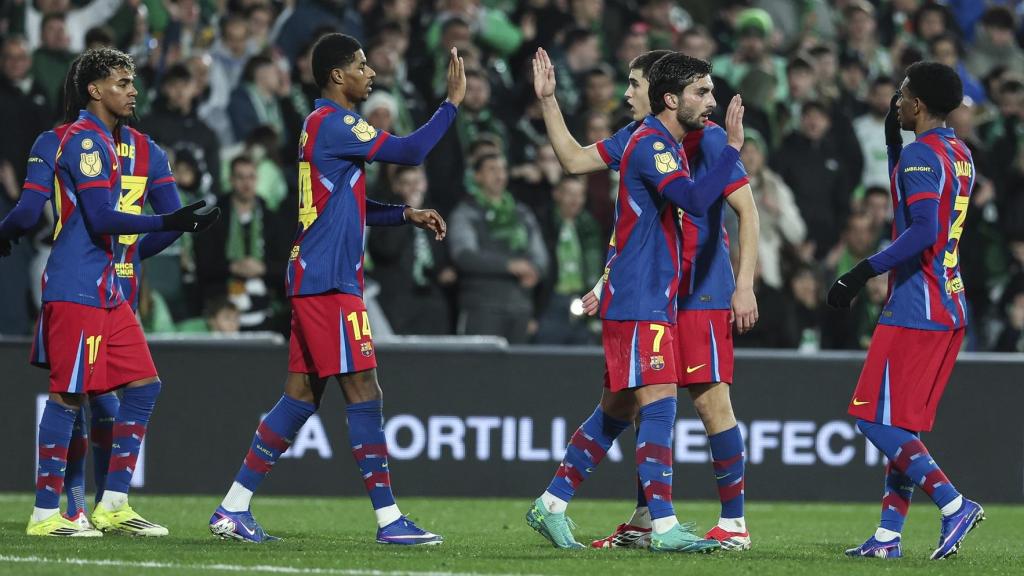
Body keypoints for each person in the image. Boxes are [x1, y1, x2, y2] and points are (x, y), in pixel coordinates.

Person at [208, 33, 463, 545]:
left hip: (315, 274)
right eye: (362, 66)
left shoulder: (320, 126)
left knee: (301, 396)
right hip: (328, 280)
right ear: (337, 76)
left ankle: (233, 507)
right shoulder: (339, 122)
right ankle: (390, 520)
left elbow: (347, 205)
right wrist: (451, 104)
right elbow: (411, 151)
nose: (371, 74)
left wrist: (404, 214)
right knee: (364, 390)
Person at [533, 47, 759, 551]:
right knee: (652, 403)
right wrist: (550, 102)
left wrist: (743, 284)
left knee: (632, 406)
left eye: (633, 83)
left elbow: (741, 210)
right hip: (648, 293)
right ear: (670, 98)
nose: (627, 93)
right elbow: (577, 164)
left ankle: (558, 503)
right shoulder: (648, 141)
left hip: (690, 291)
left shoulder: (695, 136)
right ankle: (658, 522)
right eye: (703, 92)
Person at [0, 47, 218, 537]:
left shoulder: (95, 141)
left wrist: (150, 241)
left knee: (143, 385)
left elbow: (32, 212)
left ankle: (112, 503)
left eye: (133, 81)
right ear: (94, 89)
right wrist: (168, 223)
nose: (133, 90)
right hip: (79, 281)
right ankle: (47, 512)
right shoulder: (83, 141)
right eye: (123, 82)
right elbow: (99, 217)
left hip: (110, 288)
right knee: (72, 394)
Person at [827, 62, 984, 560]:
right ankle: (888, 537)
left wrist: (859, 272)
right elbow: (920, 197)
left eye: (902, 95)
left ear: (917, 104)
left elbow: (921, 231)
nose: (896, 102)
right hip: (950, 303)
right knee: (903, 428)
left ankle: (953, 502)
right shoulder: (959, 153)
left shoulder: (922, 155)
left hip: (916, 305)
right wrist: (898, 145)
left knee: (873, 420)